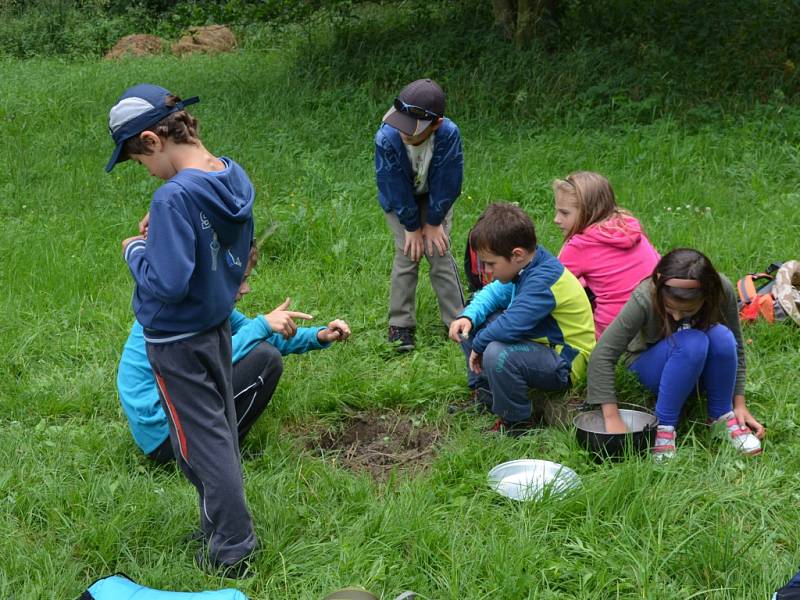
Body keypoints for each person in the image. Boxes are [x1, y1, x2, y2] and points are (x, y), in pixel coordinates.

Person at [109, 83, 257, 575]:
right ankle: (220, 523)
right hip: (214, 327)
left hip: (176, 339)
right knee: (220, 431)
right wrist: (169, 234)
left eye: (139, 160)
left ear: (153, 140)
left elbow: (167, 283)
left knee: (200, 443)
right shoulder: (229, 176)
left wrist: (137, 249)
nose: (146, 172)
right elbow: (224, 247)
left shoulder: (173, 196)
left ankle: (232, 547)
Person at [117, 244, 351, 464]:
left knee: (262, 350)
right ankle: (221, 456)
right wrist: (261, 325)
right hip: (166, 435)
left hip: (169, 424)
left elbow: (259, 337)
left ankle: (217, 449)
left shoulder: (204, 300)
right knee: (266, 360)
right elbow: (209, 361)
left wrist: (319, 336)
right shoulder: (182, 310)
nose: (246, 289)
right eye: (240, 280)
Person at [586, 248, 765, 459]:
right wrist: (612, 416)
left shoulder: (720, 289)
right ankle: (663, 428)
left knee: (723, 337)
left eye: (688, 311)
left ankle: (721, 417)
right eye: (671, 308)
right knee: (692, 342)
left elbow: (737, 346)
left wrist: (739, 404)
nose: (678, 316)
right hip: (650, 364)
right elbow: (603, 354)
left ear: (706, 297)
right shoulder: (645, 295)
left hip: (695, 363)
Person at [448, 203, 596, 436]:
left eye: (490, 264)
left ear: (516, 255)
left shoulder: (543, 280)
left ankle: (517, 422)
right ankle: (485, 394)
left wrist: (478, 346)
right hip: (537, 347)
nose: (486, 271)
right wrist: (468, 316)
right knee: (472, 324)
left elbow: (510, 326)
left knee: (497, 351)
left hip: (563, 361)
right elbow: (493, 293)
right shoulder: (525, 266)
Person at [375, 78, 466, 352]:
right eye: (400, 123)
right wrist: (412, 226)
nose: (403, 131)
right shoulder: (387, 137)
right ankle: (401, 324)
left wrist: (434, 221)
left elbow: (449, 180)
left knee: (438, 251)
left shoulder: (448, 133)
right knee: (408, 252)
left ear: (435, 123)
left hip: (435, 196)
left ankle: (458, 320)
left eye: (411, 129)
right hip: (401, 199)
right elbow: (392, 184)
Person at [553, 171, 660, 338]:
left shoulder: (579, 246)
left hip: (611, 337)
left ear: (588, 212)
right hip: (655, 324)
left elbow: (548, 285)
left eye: (564, 213)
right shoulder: (628, 225)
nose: (556, 219)